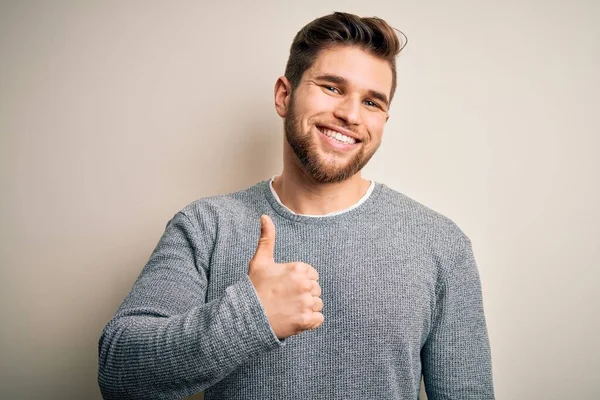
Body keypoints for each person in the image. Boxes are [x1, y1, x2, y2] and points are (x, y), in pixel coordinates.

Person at [98, 11, 494, 400]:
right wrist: (250, 317)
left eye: (372, 102)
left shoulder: (441, 243)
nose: (350, 115)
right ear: (284, 96)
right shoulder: (207, 226)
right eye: (333, 88)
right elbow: (118, 374)